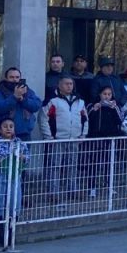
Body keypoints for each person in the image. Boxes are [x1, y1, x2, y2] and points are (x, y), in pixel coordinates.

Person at [0, 117, 30, 247]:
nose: (8, 128)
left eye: (11, 126)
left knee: (15, 203)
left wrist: (23, 157)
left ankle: (10, 233)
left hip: (14, 176)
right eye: (5, 126)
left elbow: (28, 157)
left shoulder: (19, 142)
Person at [42, 75, 87, 207]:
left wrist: (83, 135)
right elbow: (43, 118)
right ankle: (53, 192)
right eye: (66, 84)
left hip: (74, 139)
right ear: (59, 85)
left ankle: (72, 189)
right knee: (55, 166)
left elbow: (85, 119)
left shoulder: (80, 102)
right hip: (58, 139)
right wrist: (49, 137)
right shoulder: (53, 101)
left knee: (72, 166)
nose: (69, 86)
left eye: (71, 84)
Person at [85, 85, 126, 198]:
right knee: (93, 164)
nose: (107, 97)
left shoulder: (115, 106)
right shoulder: (91, 105)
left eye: (109, 94)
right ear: (99, 95)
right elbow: (86, 119)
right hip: (95, 138)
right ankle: (92, 187)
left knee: (109, 164)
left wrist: (114, 108)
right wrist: (94, 109)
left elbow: (121, 121)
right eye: (104, 94)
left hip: (110, 139)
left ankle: (110, 186)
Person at [0, 67, 42, 142]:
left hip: (24, 135)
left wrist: (23, 100)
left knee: (24, 154)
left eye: (17, 77)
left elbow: (36, 105)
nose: (15, 80)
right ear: (6, 78)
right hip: (5, 136)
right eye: (11, 77)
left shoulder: (28, 91)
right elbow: (0, 108)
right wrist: (14, 97)